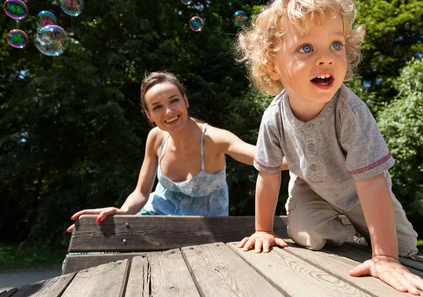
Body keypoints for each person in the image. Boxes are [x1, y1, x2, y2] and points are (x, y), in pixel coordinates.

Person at [235, 0, 423, 296]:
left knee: (404, 247)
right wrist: (263, 229)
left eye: (336, 45)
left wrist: (385, 258)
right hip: (311, 190)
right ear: (273, 65)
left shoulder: (349, 111)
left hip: (362, 192)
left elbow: (371, 181)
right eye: (306, 47)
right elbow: (268, 175)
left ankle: (370, 237)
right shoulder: (273, 117)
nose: (326, 57)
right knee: (305, 235)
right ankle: (351, 232)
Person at [67, 71, 282, 232]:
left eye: (174, 101)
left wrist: (308, 156)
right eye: (157, 107)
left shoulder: (214, 139)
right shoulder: (155, 138)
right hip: (156, 218)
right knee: (96, 246)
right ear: (149, 115)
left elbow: (268, 159)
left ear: (185, 101)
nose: (168, 112)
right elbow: (141, 193)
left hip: (205, 231)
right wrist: (123, 212)